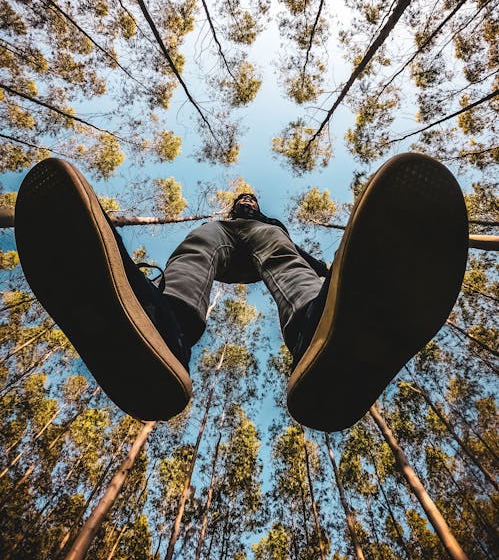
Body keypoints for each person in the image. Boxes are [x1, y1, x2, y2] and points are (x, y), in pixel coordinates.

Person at [14, 153, 468, 431]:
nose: (248, 200)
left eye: (252, 199)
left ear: (256, 205)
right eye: (244, 199)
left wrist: (336, 278)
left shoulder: (269, 222)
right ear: (237, 204)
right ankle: (161, 329)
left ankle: (321, 332)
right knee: (194, 251)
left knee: (285, 259)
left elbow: (296, 256)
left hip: (264, 243)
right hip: (225, 241)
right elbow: (205, 244)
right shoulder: (225, 217)